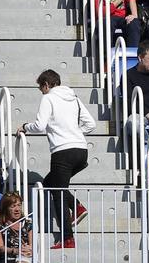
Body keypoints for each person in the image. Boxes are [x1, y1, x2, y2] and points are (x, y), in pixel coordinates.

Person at [20, 68, 95, 247]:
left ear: (46, 85)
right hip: (81, 150)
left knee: (58, 193)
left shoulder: (48, 97)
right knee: (48, 185)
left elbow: (39, 126)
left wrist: (24, 126)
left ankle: (68, 238)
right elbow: (90, 124)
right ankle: (77, 207)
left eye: (41, 88)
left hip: (63, 151)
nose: (42, 92)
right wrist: (74, 133)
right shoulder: (74, 98)